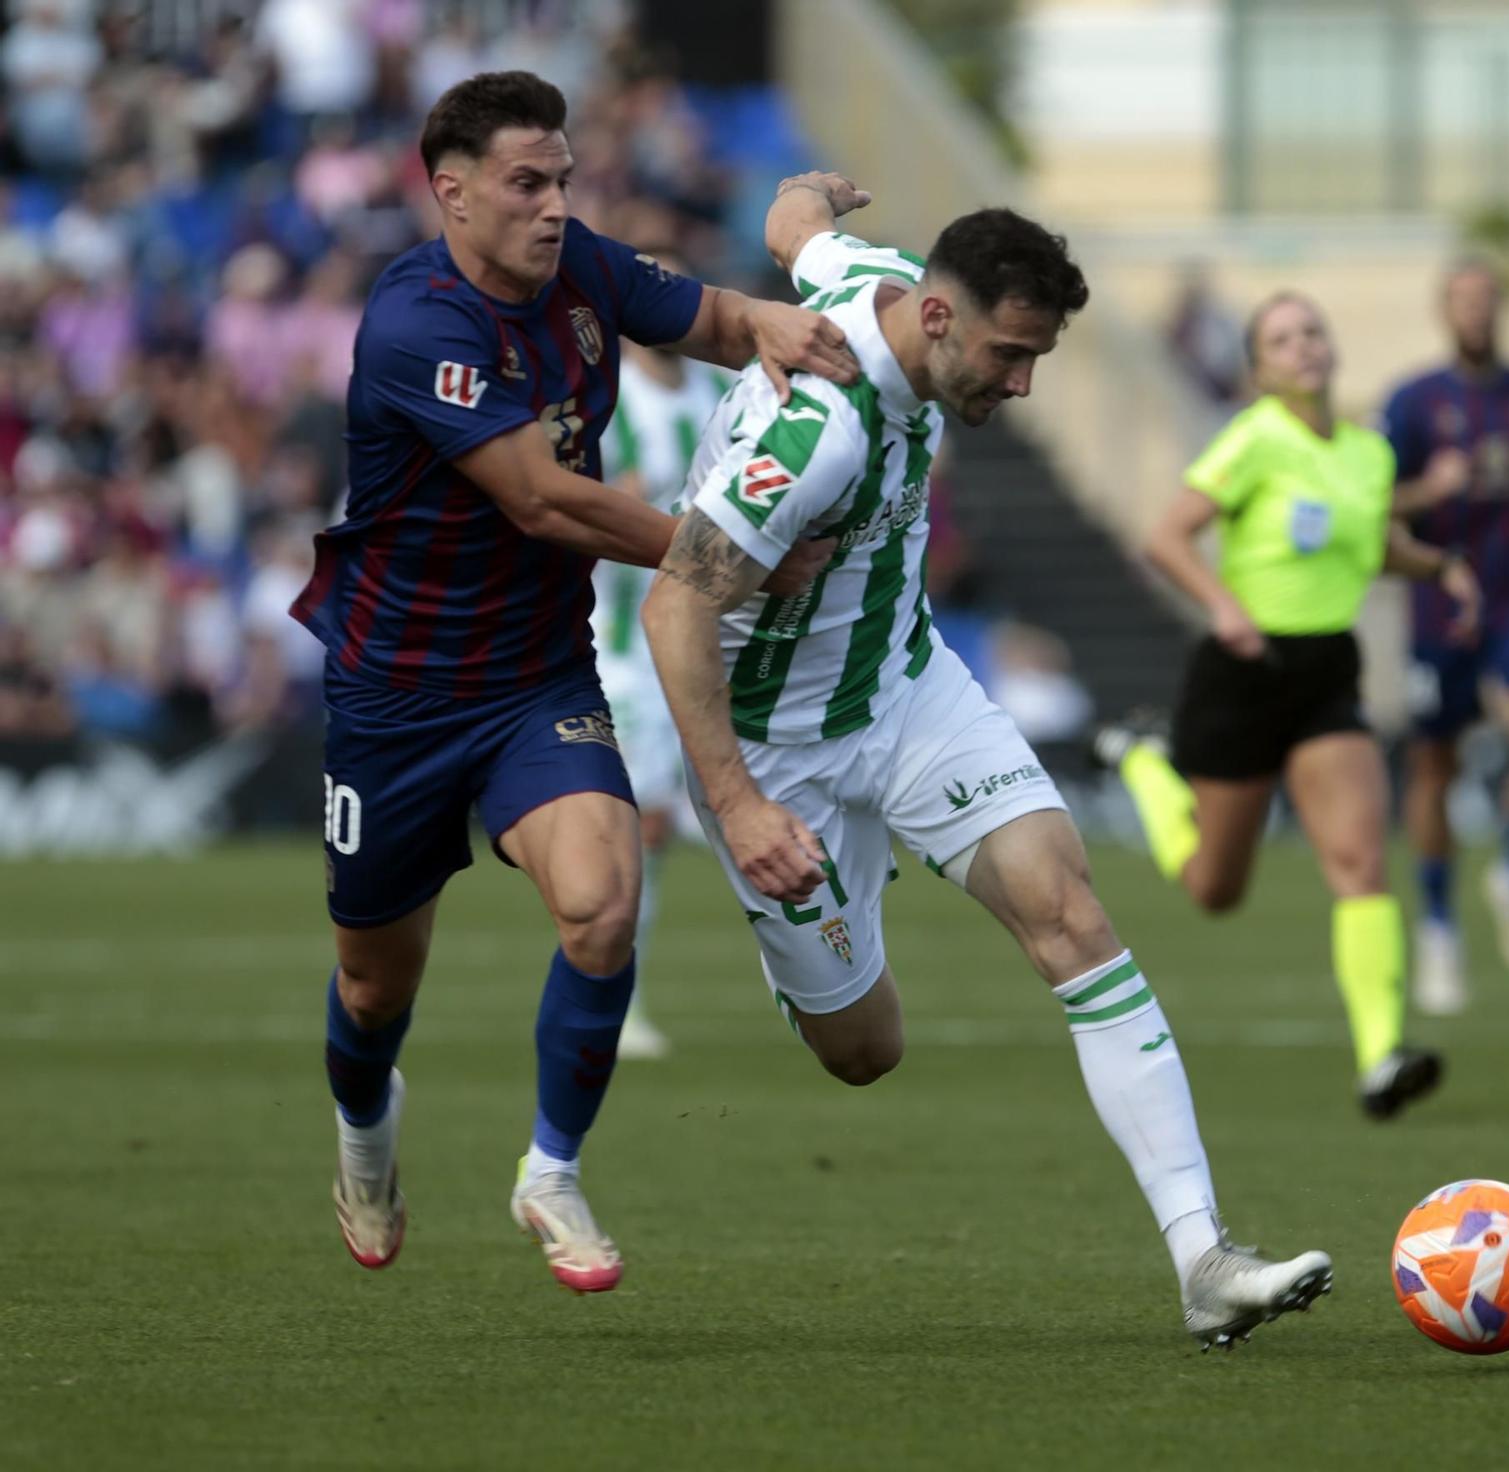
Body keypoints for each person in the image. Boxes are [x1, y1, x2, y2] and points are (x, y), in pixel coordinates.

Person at [643, 173, 1333, 1350]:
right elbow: (672, 609)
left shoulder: (871, 279)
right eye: (1009, 356)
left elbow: (795, 230)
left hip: (909, 692)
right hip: (776, 751)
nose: (1018, 385)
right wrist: (738, 802)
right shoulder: (813, 428)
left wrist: (808, 193)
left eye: (1036, 361)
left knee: (1068, 908)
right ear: (937, 319)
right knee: (863, 1051)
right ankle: (823, 918)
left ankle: (1201, 1257)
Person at [288, 72, 856, 1293]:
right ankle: (365, 1132)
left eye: (562, 182)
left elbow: (703, 318)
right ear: (451, 193)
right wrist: (734, 555)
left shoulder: (581, 269)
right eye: (524, 184)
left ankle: (550, 1167)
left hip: (532, 675)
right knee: (374, 981)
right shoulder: (413, 325)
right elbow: (543, 499)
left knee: (601, 903)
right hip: (392, 693)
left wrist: (781, 321)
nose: (553, 208)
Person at [1095, 291, 1479, 1120]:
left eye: (1313, 331)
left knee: (1360, 861)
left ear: (1331, 350)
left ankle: (1381, 1057)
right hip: (1242, 670)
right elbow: (1166, 537)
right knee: (1213, 888)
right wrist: (1222, 605)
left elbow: (1372, 547)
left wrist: (1438, 568)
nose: (1303, 347)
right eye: (1282, 339)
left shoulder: (1369, 454)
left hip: (1325, 673)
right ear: (1260, 369)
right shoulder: (1254, 439)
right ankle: (1139, 759)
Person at [1383, 259, 1509, 1014]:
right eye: (1464, 301)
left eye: (1487, 300)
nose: (1477, 313)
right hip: (1441, 600)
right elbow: (1377, 501)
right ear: (1444, 311)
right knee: (1435, 766)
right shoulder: (1413, 402)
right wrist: (1429, 490)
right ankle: (1436, 924)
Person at [589, 262, 735, 1062]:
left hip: (695, 645)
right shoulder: (612, 400)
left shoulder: (712, 398)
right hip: (624, 649)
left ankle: (615, 988)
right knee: (638, 824)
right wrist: (631, 496)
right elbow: (575, 500)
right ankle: (617, 997)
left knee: (659, 831)